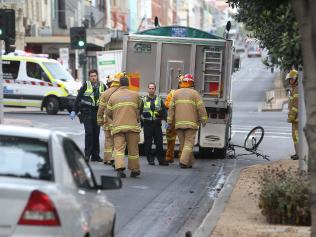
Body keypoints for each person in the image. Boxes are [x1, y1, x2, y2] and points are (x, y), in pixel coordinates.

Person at [167, 73, 208, 168]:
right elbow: (201, 108)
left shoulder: (176, 93)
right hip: (191, 124)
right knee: (189, 144)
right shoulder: (195, 94)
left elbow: (171, 109)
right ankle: (184, 161)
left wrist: (169, 122)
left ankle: (189, 162)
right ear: (191, 83)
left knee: (183, 144)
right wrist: (204, 120)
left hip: (178, 124)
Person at [107, 74, 142, 178]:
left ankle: (120, 169)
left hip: (118, 128)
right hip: (132, 127)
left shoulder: (113, 96)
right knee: (133, 150)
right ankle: (134, 170)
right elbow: (139, 109)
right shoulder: (135, 95)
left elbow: (108, 113)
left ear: (119, 84)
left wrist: (113, 123)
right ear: (128, 84)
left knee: (118, 150)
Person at [70, 69, 106, 162]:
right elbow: (78, 98)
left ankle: (95, 156)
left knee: (96, 134)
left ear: (97, 76)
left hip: (98, 113)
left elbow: (108, 98)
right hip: (87, 113)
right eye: (91, 76)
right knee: (89, 133)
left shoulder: (102, 86)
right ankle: (87, 155)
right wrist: (74, 110)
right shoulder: (86, 85)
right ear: (89, 77)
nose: (93, 77)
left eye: (94, 76)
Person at [140, 82, 169, 166]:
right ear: (148, 89)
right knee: (148, 143)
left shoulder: (159, 99)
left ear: (155, 89)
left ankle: (161, 160)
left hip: (157, 124)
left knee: (159, 143)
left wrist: (167, 121)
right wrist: (141, 123)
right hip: (147, 125)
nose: (151, 90)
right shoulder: (143, 100)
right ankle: (150, 159)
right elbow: (139, 112)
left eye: (153, 88)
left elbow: (164, 111)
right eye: (150, 88)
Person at [97, 73, 121, 167]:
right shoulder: (120, 92)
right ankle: (115, 158)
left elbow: (101, 108)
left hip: (107, 120)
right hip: (118, 120)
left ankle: (107, 158)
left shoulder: (105, 93)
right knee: (118, 140)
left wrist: (99, 120)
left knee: (108, 139)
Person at [164, 75, 182, 163]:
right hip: (174, 117)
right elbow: (166, 103)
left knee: (182, 138)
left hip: (180, 117)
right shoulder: (173, 92)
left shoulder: (174, 92)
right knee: (170, 137)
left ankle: (181, 157)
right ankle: (170, 156)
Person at [286, 69, 299, 160]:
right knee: (295, 137)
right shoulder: (294, 88)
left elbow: (296, 105)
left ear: (296, 79)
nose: (290, 81)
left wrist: (292, 116)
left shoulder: (297, 89)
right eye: (289, 79)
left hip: (297, 119)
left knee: (297, 136)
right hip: (295, 119)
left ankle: (299, 154)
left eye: (291, 79)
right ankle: (298, 153)